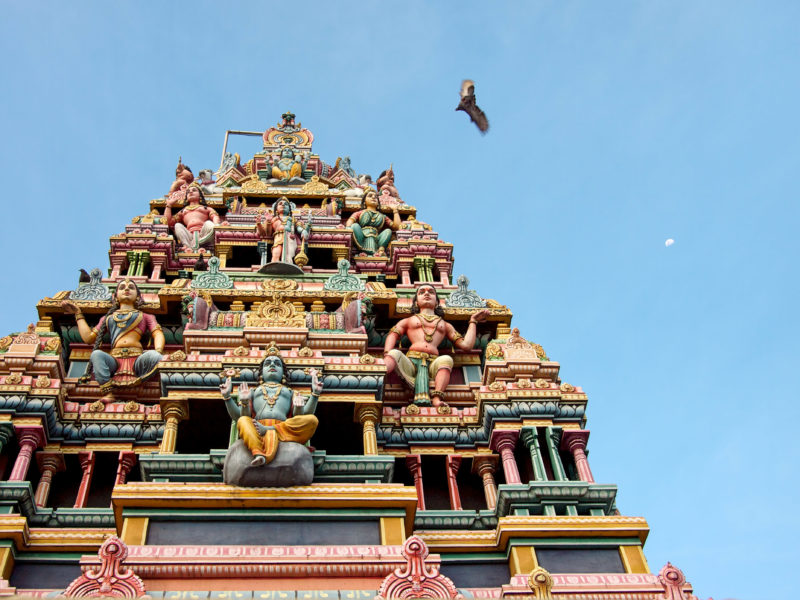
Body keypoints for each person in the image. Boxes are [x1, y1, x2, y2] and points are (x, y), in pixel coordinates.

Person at [384, 284, 489, 412]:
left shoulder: (444, 325)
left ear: (437, 302)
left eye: (431, 292)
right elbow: (393, 334)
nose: (426, 294)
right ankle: (380, 374)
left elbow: (466, 345)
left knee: (446, 359)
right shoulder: (410, 320)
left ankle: (437, 398)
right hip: (411, 362)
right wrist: (386, 354)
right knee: (394, 353)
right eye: (422, 292)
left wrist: (473, 321)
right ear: (416, 302)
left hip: (433, 363)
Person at [219, 343, 321, 466]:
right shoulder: (254, 391)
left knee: (312, 420)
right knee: (243, 421)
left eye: (277, 364)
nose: (272, 365)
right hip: (257, 428)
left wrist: (315, 394)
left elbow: (300, 416)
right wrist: (228, 397)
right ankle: (258, 453)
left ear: (283, 373)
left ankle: (269, 431)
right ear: (261, 372)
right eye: (268, 363)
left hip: (283, 429)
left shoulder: (290, 392)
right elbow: (239, 416)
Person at [62, 279, 165, 391]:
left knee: (156, 357)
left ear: (138, 297)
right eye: (122, 288)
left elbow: (157, 333)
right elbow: (88, 338)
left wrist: (158, 350)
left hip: (138, 359)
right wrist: (78, 314)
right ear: (115, 297)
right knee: (96, 354)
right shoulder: (108, 318)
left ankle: (142, 378)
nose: (126, 289)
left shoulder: (146, 316)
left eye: (131, 287)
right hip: (114, 360)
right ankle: (107, 390)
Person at [164, 183, 228, 253]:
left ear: (200, 195)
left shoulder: (205, 208)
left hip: (203, 233)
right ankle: (186, 245)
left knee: (209, 223)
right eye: (188, 192)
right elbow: (168, 222)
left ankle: (205, 240)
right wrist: (169, 205)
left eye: (194, 190)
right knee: (177, 225)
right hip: (189, 236)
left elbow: (215, 217)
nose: (191, 192)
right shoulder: (183, 211)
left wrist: (217, 225)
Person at [346, 189, 401, 256]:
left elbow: (397, 227)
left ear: (378, 202)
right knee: (354, 226)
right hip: (362, 237)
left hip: (376, 239)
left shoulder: (382, 216)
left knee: (388, 231)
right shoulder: (360, 213)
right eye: (370, 196)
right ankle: (362, 247)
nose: (373, 197)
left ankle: (381, 249)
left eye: (376, 197)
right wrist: (347, 230)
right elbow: (350, 222)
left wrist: (395, 210)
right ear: (364, 201)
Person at [257, 197, 309, 264]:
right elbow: (268, 233)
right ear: (276, 209)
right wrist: (266, 222)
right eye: (280, 204)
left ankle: (288, 265)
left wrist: (303, 231)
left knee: (289, 254)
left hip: (290, 237)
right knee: (276, 252)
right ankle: (274, 265)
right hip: (278, 237)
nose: (283, 205)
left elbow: (298, 228)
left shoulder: (292, 219)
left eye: (286, 204)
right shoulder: (274, 219)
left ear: (290, 210)